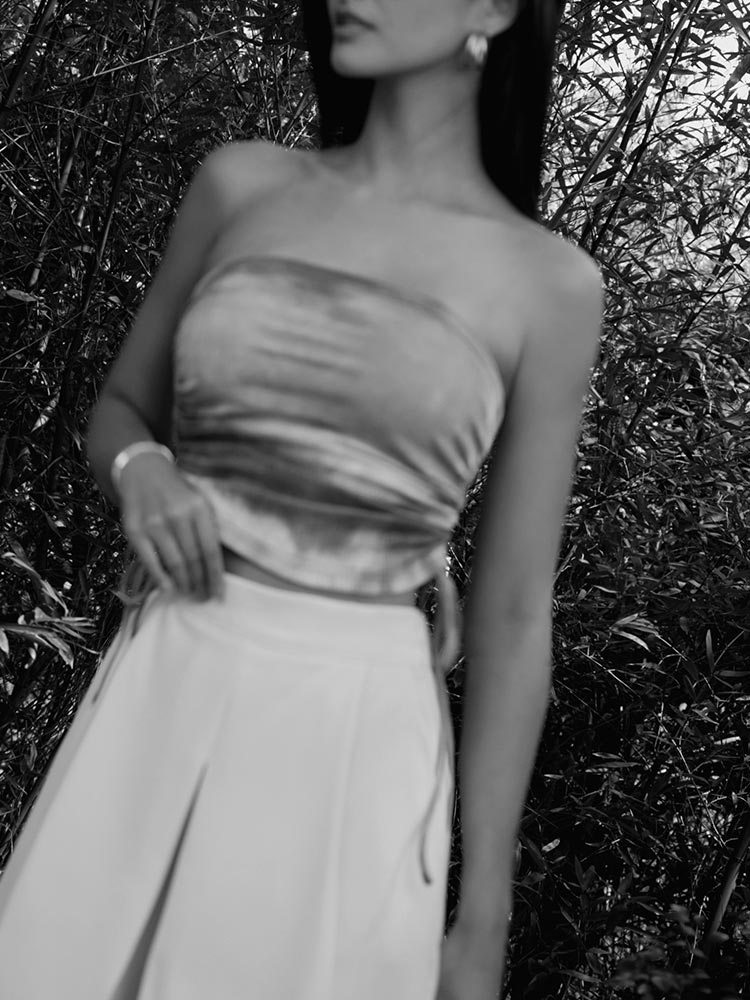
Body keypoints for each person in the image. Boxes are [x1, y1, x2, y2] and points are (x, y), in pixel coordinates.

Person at [0, 0, 603, 998]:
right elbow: (120, 410)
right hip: (169, 669)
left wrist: (483, 916)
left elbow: (511, 614)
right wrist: (143, 470)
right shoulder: (242, 185)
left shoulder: (552, 286)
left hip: (353, 726)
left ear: (496, 7)